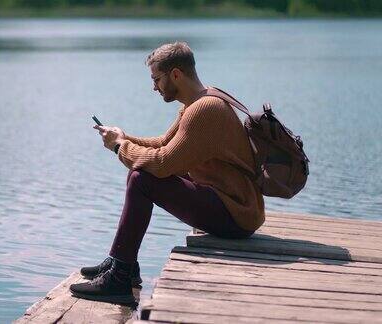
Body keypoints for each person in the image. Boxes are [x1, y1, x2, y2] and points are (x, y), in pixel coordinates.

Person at [69, 42, 265, 305]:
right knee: (140, 171)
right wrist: (124, 137)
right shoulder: (199, 101)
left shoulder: (204, 110)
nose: (154, 87)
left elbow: (162, 163)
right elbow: (164, 144)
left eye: (156, 79)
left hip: (237, 216)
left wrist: (119, 147)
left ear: (175, 74)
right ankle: (123, 264)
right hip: (232, 206)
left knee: (142, 179)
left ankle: (119, 278)